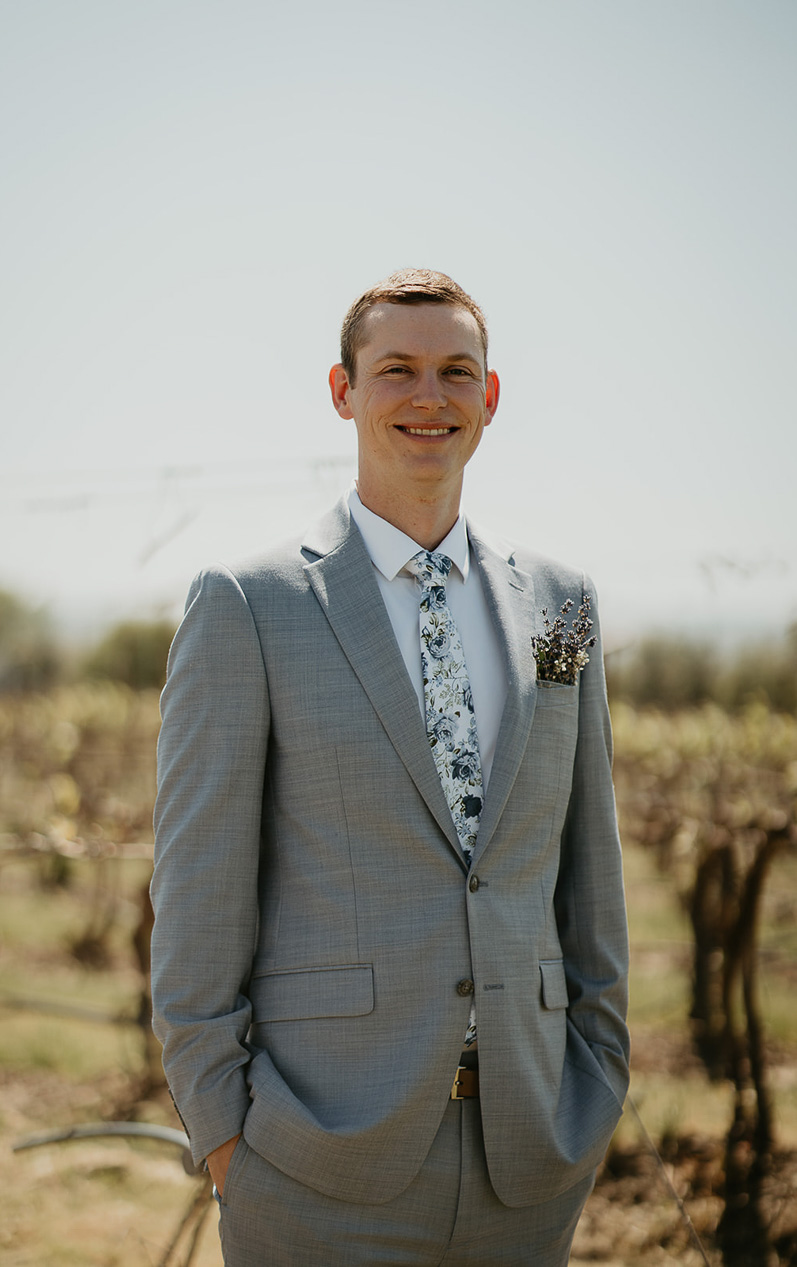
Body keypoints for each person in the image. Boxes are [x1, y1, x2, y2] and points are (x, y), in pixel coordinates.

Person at [150, 268, 630, 1266]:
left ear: (488, 399)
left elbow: (588, 866)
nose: (428, 395)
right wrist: (229, 1140)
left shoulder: (564, 605)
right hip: (314, 1167)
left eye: (456, 371)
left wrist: (597, 1080)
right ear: (342, 390)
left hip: (530, 1160)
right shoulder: (246, 603)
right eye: (396, 370)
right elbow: (198, 895)